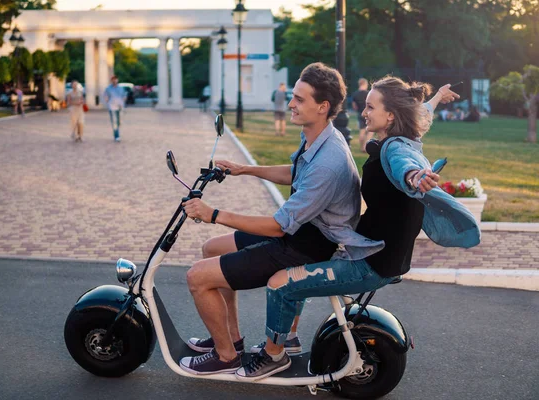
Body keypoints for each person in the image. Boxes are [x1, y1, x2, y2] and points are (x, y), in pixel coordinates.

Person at [238, 77, 481, 381]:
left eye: (370, 106)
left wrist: (414, 178)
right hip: (378, 254)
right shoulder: (406, 137)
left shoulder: (395, 150)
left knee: (279, 283)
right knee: (299, 261)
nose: (362, 111)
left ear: (390, 115)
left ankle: (273, 357)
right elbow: (421, 116)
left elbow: (405, 167)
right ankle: (287, 338)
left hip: (370, 264)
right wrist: (436, 98)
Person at [178, 62, 384, 376]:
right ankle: (230, 341)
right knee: (212, 249)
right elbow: (296, 173)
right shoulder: (319, 136)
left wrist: (213, 214)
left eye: (299, 99)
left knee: (197, 277)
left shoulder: (330, 160)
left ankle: (225, 357)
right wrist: (244, 169)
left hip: (306, 246)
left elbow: (277, 226)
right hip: (299, 232)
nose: (290, 103)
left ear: (322, 106)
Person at [102, 75, 126, 142]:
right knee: (114, 121)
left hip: (120, 107)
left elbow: (124, 95)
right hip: (112, 107)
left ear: (117, 80)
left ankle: (116, 131)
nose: (114, 80)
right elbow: (105, 96)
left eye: (115, 79)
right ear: (111, 80)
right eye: (113, 79)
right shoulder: (108, 88)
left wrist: (122, 101)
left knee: (119, 122)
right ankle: (116, 136)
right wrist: (109, 102)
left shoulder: (121, 88)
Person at [352, 78, 370, 152]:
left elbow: (354, 106)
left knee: (362, 131)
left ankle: (362, 148)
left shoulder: (355, 94)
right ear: (365, 84)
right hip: (368, 113)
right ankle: (366, 146)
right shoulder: (368, 93)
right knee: (370, 131)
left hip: (360, 113)